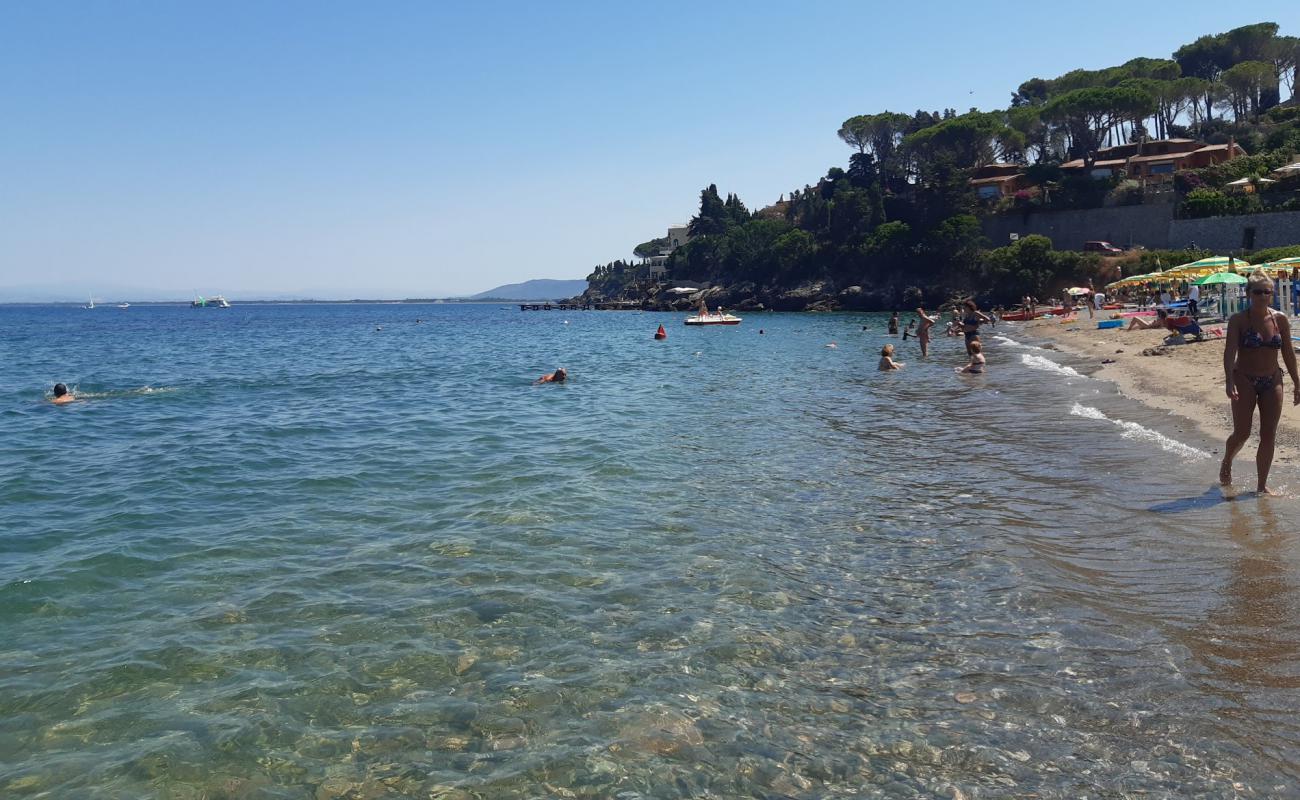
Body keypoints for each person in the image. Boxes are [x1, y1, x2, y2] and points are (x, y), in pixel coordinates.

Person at [1220, 271, 1300, 494]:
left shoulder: (1280, 319)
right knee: (1242, 433)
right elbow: (1229, 353)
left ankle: (1261, 485)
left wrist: (1297, 382)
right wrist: (1229, 380)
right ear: (1248, 294)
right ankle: (1227, 460)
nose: (1263, 296)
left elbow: (1288, 353)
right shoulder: (1238, 320)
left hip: (1272, 379)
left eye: (1268, 292)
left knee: (1268, 433)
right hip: (1244, 378)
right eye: (1258, 292)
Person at [1126, 308, 1203, 340]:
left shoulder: (1167, 321)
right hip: (1187, 327)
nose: (1158, 319)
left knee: (1135, 318)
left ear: (1161, 317)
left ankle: (1198, 334)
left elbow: (1177, 326)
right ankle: (1198, 334)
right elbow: (1175, 329)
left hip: (1188, 326)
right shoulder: (1166, 321)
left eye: (1159, 317)